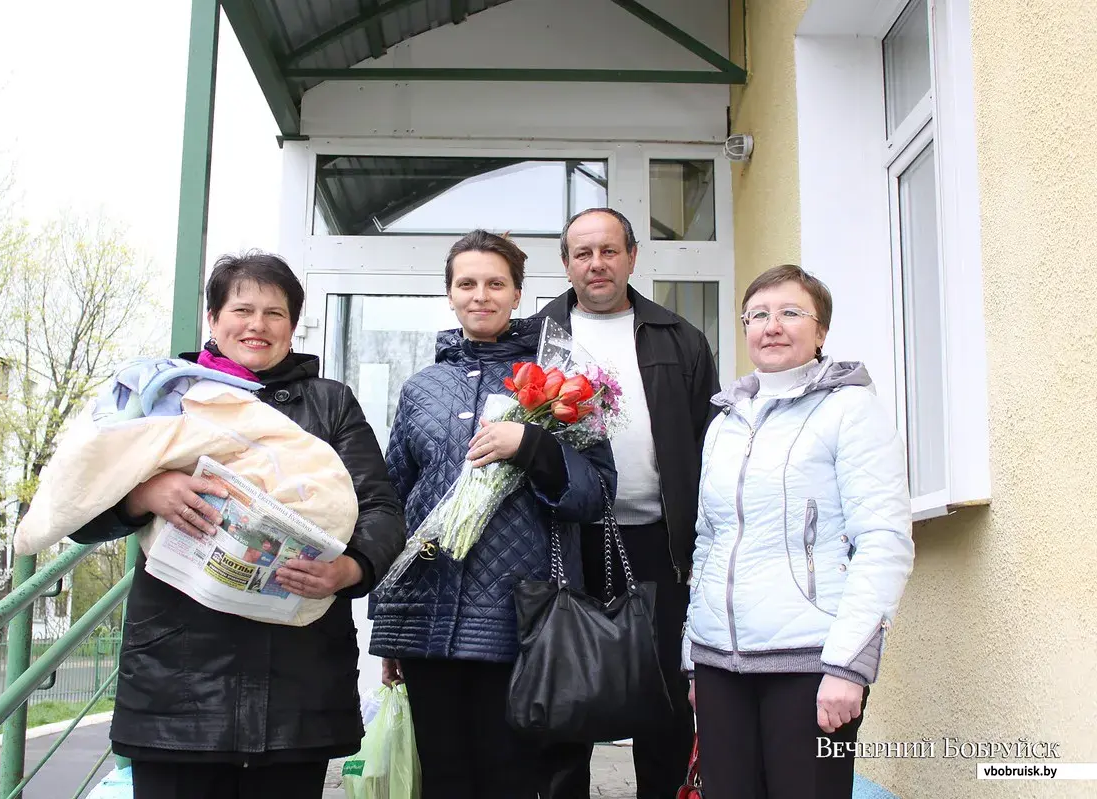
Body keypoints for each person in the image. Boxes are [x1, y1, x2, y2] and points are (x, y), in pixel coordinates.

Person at [70, 251, 407, 799]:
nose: (257, 325)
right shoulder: (166, 397)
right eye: (242, 309)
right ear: (213, 319)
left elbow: (382, 508)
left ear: (293, 326)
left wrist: (351, 568)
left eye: (274, 313)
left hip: (298, 684)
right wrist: (144, 493)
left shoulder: (331, 404)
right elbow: (78, 509)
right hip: (176, 683)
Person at [369, 230, 617, 799]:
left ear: (517, 293)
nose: (481, 295)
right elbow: (393, 506)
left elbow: (595, 496)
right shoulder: (421, 389)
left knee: (514, 779)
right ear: (450, 294)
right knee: (446, 780)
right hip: (426, 625)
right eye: (467, 283)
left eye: (495, 283)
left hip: (520, 625)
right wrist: (388, 629)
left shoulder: (562, 384)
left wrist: (531, 446)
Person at [684, 264, 914, 798]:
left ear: (821, 331)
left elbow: (884, 540)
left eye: (790, 313)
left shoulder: (850, 409)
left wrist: (848, 667)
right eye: (758, 315)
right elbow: (710, 541)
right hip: (720, 662)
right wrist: (693, 654)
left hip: (812, 660)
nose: (772, 326)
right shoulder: (724, 422)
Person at [536, 207, 719, 799]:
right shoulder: (538, 336)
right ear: (565, 263)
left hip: (658, 543)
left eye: (609, 251)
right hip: (565, 540)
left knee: (662, 697)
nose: (596, 264)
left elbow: (705, 443)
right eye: (583, 253)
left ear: (632, 257)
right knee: (567, 690)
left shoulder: (679, 338)